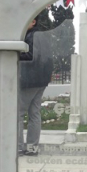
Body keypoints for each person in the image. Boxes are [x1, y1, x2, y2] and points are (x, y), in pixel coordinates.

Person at [18, 15, 53, 156]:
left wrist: (15, 53)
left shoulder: (31, 36)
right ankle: (32, 147)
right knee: (34, 113)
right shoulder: (42, 36)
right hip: (41, 80)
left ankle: (19, 146)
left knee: (18, 113)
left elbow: (30, 56)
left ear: (33, 21)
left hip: (30, 80)